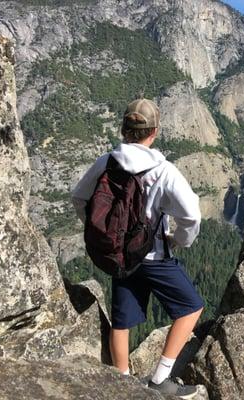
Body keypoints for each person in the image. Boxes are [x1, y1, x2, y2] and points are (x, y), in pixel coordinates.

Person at [71, 98, 203, 399]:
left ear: (123, 129)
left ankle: (123, 385)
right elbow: (191, 214)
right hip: (155, 256)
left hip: (121, 256)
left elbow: (80, 199)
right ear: (153, 132)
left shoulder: (107, 162)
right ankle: (159, 379)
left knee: (122, 321)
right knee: (191, 308)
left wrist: (102, 232)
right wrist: (180, 240)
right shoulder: (164, 170)